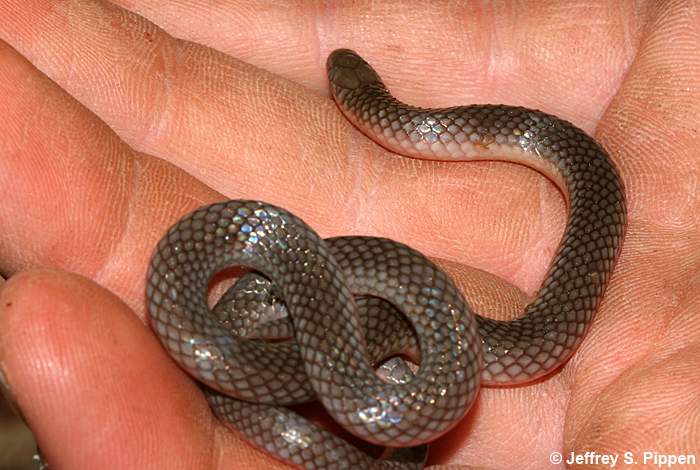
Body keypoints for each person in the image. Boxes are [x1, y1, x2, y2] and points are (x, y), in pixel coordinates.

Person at [0, 1, 698, 469]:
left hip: (373, 341)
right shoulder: (284, 292)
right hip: (320, 324)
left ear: (352, 100)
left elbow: (505, 347)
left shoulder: (576, 172)